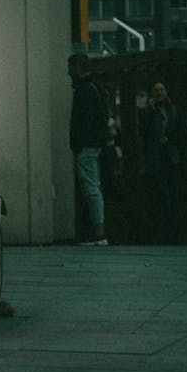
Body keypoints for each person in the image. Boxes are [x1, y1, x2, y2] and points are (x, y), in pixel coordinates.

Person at [68, 53, 108, 246]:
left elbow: (82, 122)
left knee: (90, 188)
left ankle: (98, 233)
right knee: (92, 187)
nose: (68, 73)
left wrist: (78, 144)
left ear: (77, 67)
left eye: (70, 68)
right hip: (93, 144)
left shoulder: (84, 90)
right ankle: (98, 231)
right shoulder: (95, 88)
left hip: (86, 146)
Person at [138, 81, 183, 244]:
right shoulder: (146, 111)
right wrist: (150, 109)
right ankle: (158, 233)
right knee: (157, 196)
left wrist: (170, 139)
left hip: (171, 158)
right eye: (156, 90)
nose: (160, 93)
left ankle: (172, 232)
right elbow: (142, 130)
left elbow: (180, 130)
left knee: (172, 195)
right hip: (155, 159)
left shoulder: (173, 110)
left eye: (162, 89)